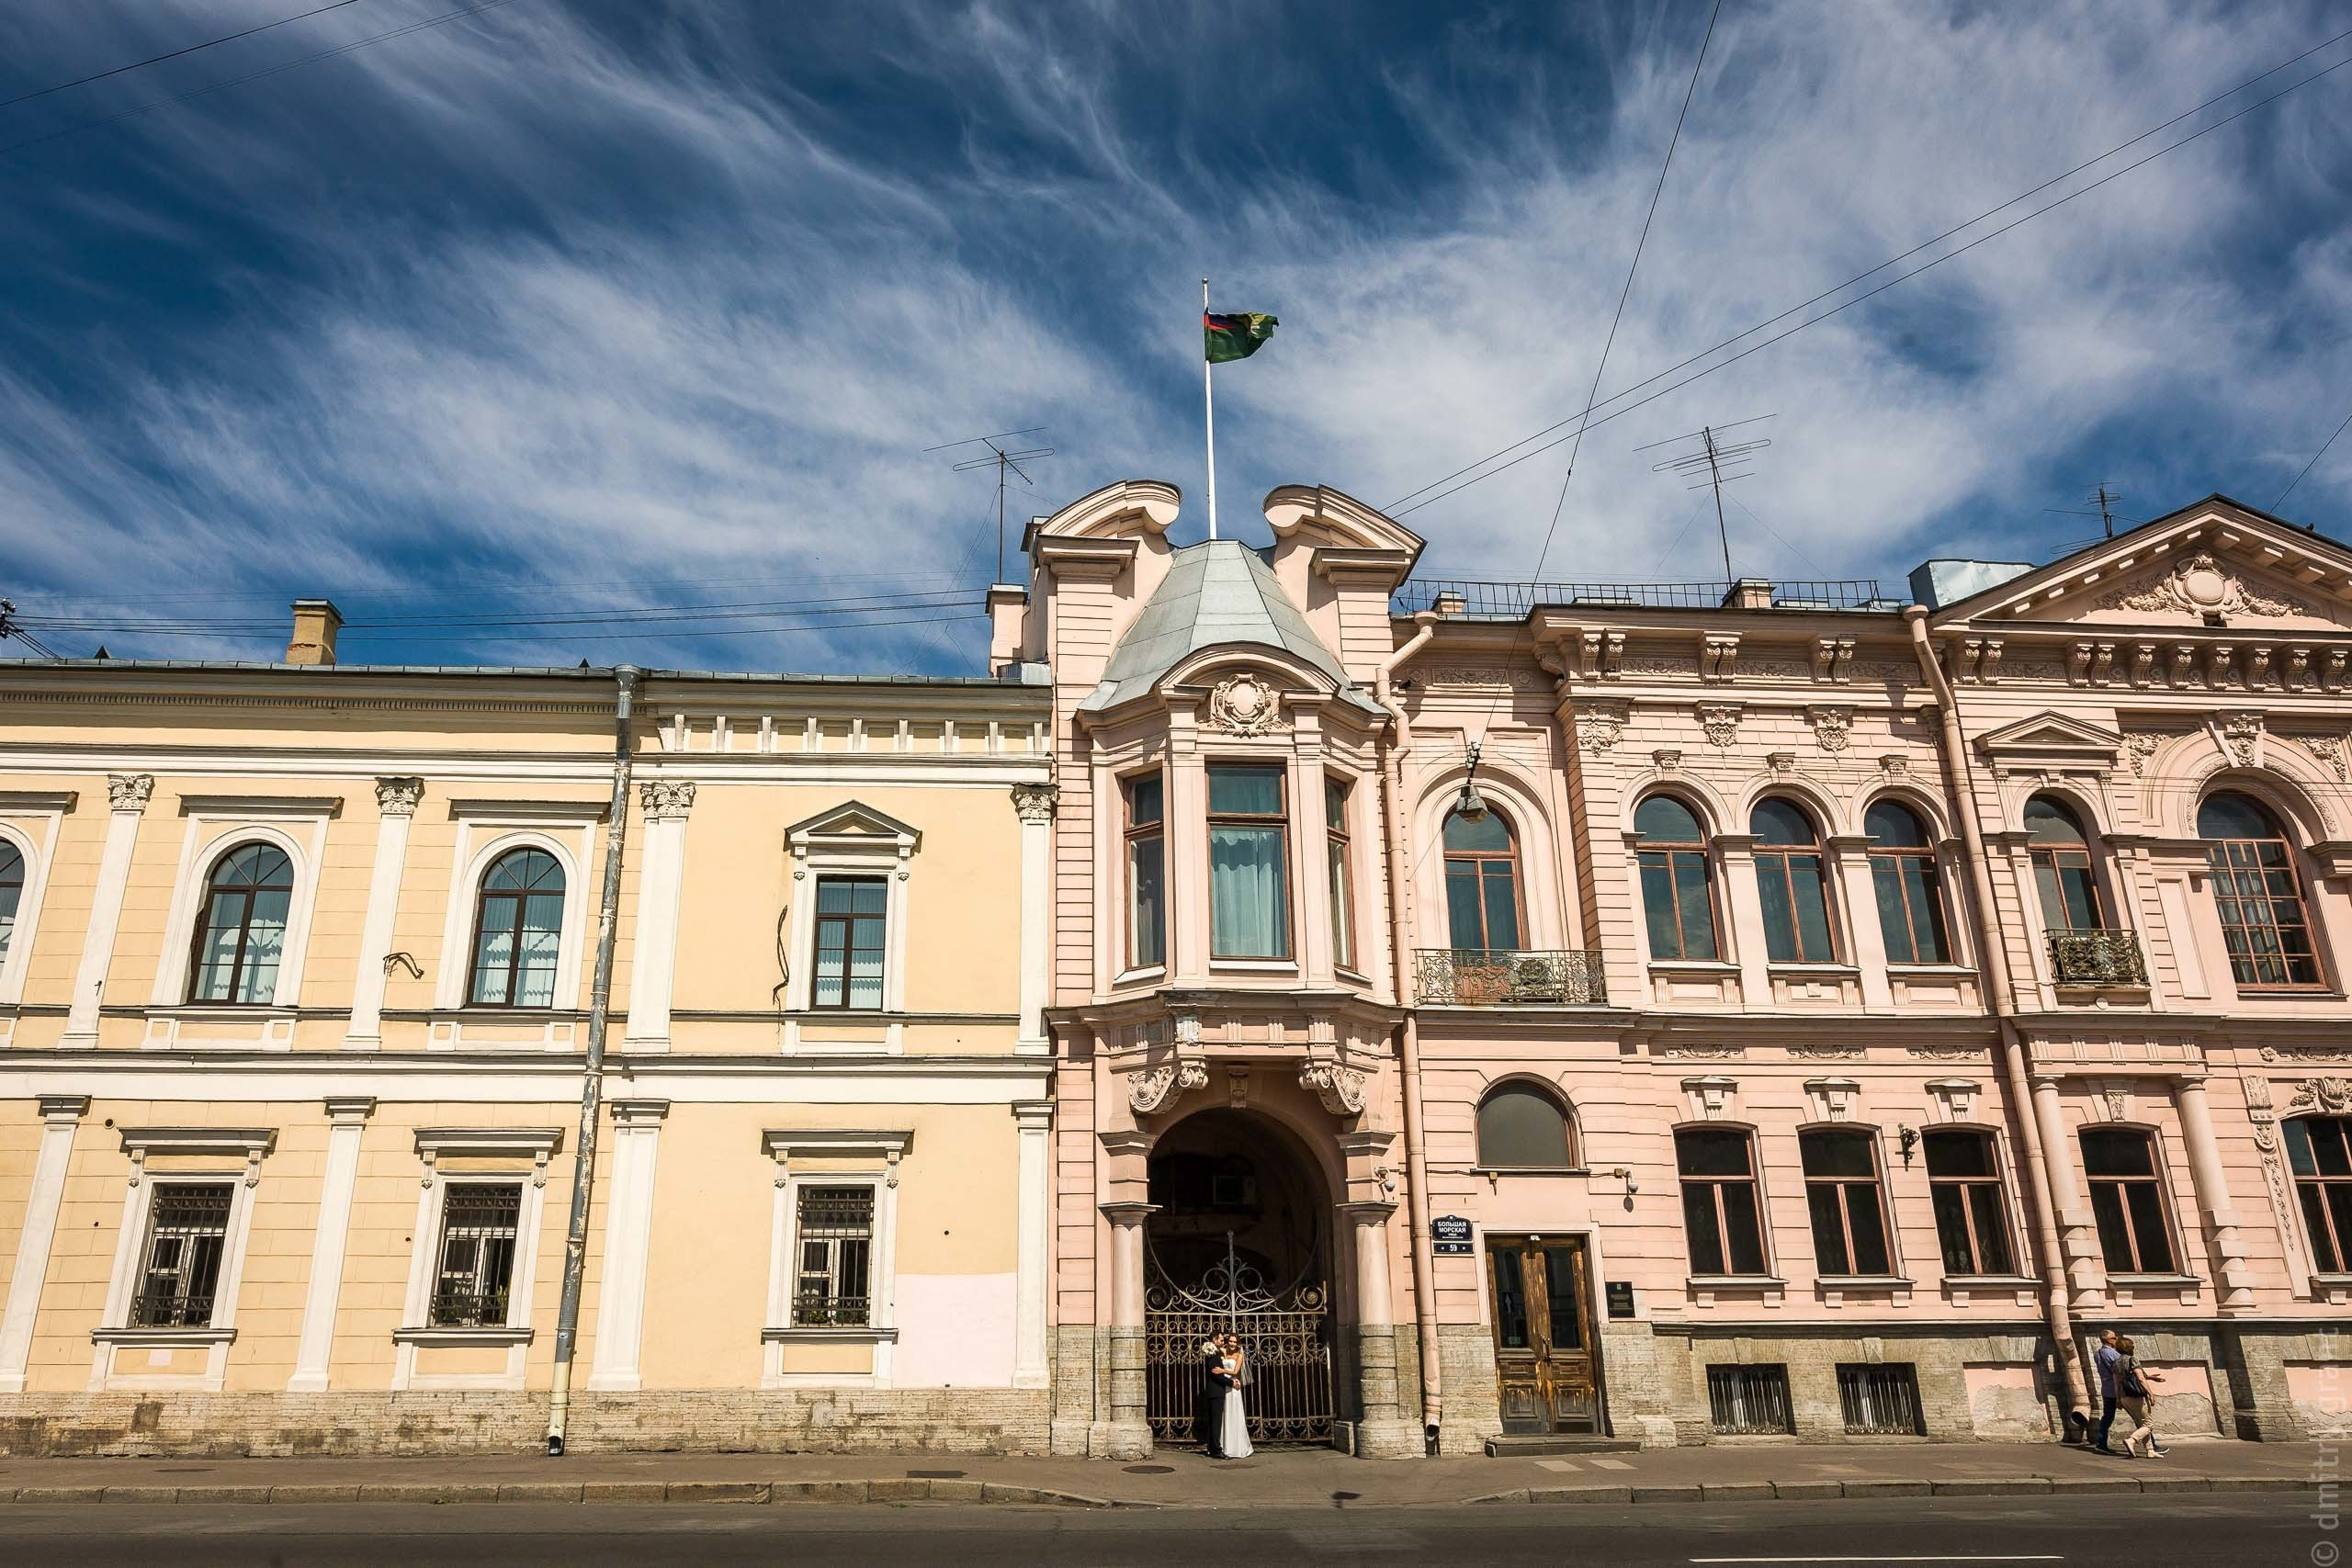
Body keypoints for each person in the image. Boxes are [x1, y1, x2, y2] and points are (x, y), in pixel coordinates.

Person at [2114, 1335, 2169, 1459]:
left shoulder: (2116, 1362)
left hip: (2124, 1396)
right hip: (2136, 1395)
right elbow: (2140, 1378)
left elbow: (2116, 1382)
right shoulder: (2132, 1360)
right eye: (2132, 1345)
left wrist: (2118, 1399)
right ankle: (2132, 1440)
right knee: (2149, 1424)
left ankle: (2150, 1450)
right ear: (2129, 1347)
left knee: (2141, 1423)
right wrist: (2151, 1393)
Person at [1216, 1332, 1253, 1461]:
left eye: (1234, 1342)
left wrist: (1222, 1371)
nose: (1232, 1344)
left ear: (1238, 1344)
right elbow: (1212, 1345)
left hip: (1233, 1386)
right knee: (1224, 1415)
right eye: (1230, 1341)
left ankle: (1237, 1447)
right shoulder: (1223, 1351)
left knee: (1234, 1415)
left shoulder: (1240, 1356)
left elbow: (1235, 1371)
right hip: (1223, 1386)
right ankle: (1223, 1446)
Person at [2092, 1329, 2123, 1454]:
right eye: (2115, 1338)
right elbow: (2120, 1372)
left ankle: (2101, 1443)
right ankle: (2150, 1444)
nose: (2117, 1340)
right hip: (2119, 1390)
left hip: (2106, 1389)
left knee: (2107, 1417)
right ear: (2109, 1341)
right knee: (2139, 1416)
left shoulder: (2097, 1353)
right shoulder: (2114, 1355)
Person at [1196, 1337, 1227, 1458]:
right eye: (1221, 1339)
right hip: (1216, 1392)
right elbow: (1217, 1375)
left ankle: (1211, 1448)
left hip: (1214, 1392)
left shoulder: (1216, 1354)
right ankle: (1216, 1450)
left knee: (1213, 1421)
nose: (1223, 1342)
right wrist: (1231, 1383)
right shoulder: (1213, 1356)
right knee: (1216, 1423)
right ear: (1215, 1340)